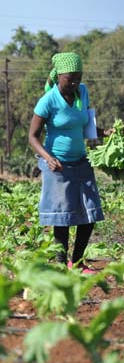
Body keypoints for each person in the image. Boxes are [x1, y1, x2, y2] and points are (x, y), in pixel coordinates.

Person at [28, 52, 111, 274]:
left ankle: (78, 262)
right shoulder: (48, 100)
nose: (74, 82)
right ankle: (60, 264)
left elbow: (88, 127)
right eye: (69, 78)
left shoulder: (82, 92)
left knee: (89, 213)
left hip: (81, 161)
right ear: (58, 77)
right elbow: (32, 136)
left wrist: (106, 133)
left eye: (78, 77)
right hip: (58, 165)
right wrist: (48, 158)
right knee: (62, 217)